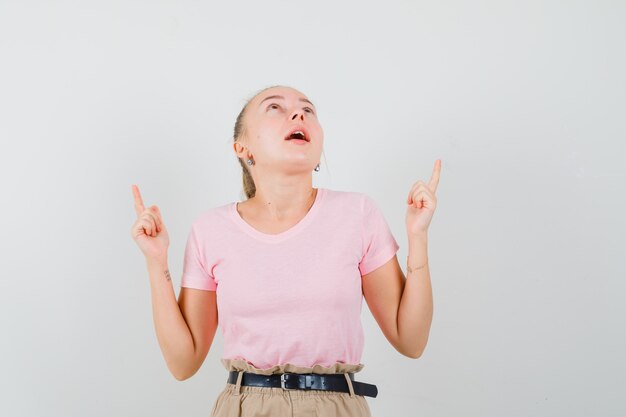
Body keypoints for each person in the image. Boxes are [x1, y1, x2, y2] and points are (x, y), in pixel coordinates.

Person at [130, 85, 440, 416]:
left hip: (335, 407)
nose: (299, 114)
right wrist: (156, 261)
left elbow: (411, 340)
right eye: (274, 107)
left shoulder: (358, 214)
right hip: (244, 406)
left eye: (308, 109)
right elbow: (183, 363)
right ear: (242, 147)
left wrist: (417, 236)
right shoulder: (211, 230)